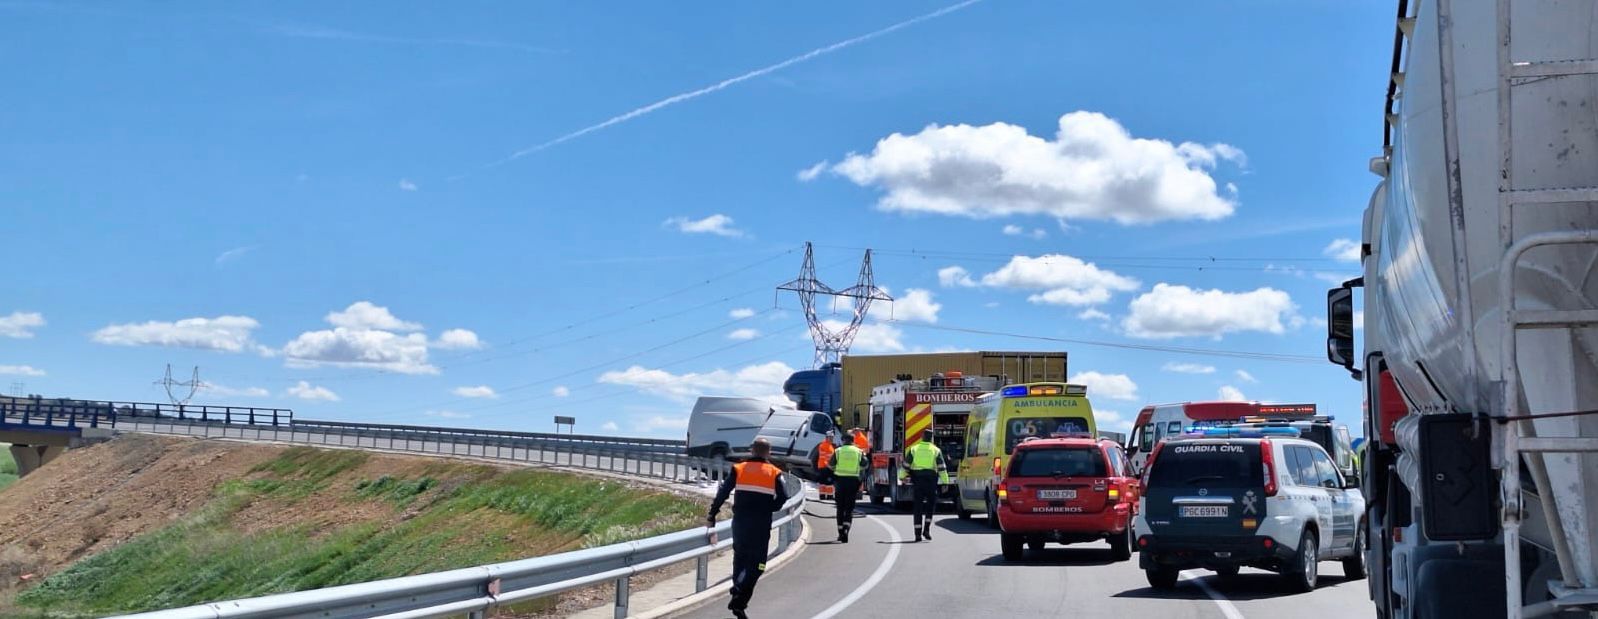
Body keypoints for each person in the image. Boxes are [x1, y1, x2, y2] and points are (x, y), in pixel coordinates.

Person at [707, 438, 790, 619]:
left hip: (740, 523)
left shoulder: (739, 468)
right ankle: (739, 595)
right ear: (768, 452)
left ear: (752, 450)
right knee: (758, 565)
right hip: (761, 524)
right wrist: (771, 507)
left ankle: (738, 594)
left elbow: (722, 492)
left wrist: (712, 514)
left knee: (740, 558)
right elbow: (784, 496)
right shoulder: (775, 472)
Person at [902, 435, 947, 542]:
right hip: (931, 482)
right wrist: (945, 482)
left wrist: (902, 476)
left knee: (917, 507)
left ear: (922, 438)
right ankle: (926, 529)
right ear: (931, 439)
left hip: (917, 482)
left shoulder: (914, 449)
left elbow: (906, 465)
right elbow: (941, 467)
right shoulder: (936, 450)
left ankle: (917, 534)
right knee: (930, 506)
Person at [828, 430, 870, 543]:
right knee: (849, 508)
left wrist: (837, 469)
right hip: (853, 481)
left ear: (843, 440)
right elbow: (865, 464)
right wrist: (857, 469)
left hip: (840, 482)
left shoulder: (838, 451)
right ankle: (846, 529)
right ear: (853, 440)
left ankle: (840, 532)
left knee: (840, 508)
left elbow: (830, 465)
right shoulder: (859, 451)